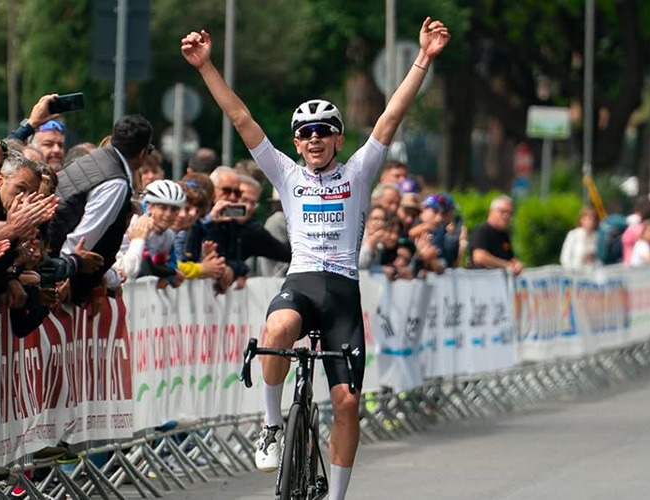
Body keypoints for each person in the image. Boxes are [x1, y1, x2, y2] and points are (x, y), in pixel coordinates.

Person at [182, 16, 450, 500]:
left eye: (323, 131)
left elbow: (390, 116)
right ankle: (270, 425)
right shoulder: (285, 174)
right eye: (304, 132)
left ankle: (338, 496)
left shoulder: (361, 171)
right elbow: (242, 120)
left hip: (343, 292)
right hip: (302, 281)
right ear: (297, 142)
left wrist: (424, 59)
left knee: (347, 404)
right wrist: (206, 67)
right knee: (277, 331)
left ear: (338, 139)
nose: (313, 138)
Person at [48, 115, 154, 305]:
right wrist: (64, 275)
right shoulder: (116, 182)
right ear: (142, 153)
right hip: (54, 264)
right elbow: (83, 237)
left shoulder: (97, 159)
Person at [114, 180, 187, 285]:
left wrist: (170, 277)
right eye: (163, 208)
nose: (168, 214)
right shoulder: (134, 224)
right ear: (149, 207)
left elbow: (171, 262)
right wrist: (171, 273)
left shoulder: (169, 235)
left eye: (174, 209)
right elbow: (144, 266)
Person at [469, 195, 523, 274]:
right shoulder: (482, 231)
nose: (506, 216)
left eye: (510, 213)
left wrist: (517, 264)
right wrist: (507, 266)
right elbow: (479, 257)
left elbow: (510, 258)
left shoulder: (504, 234)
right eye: (503, 211)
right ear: (491, 212)